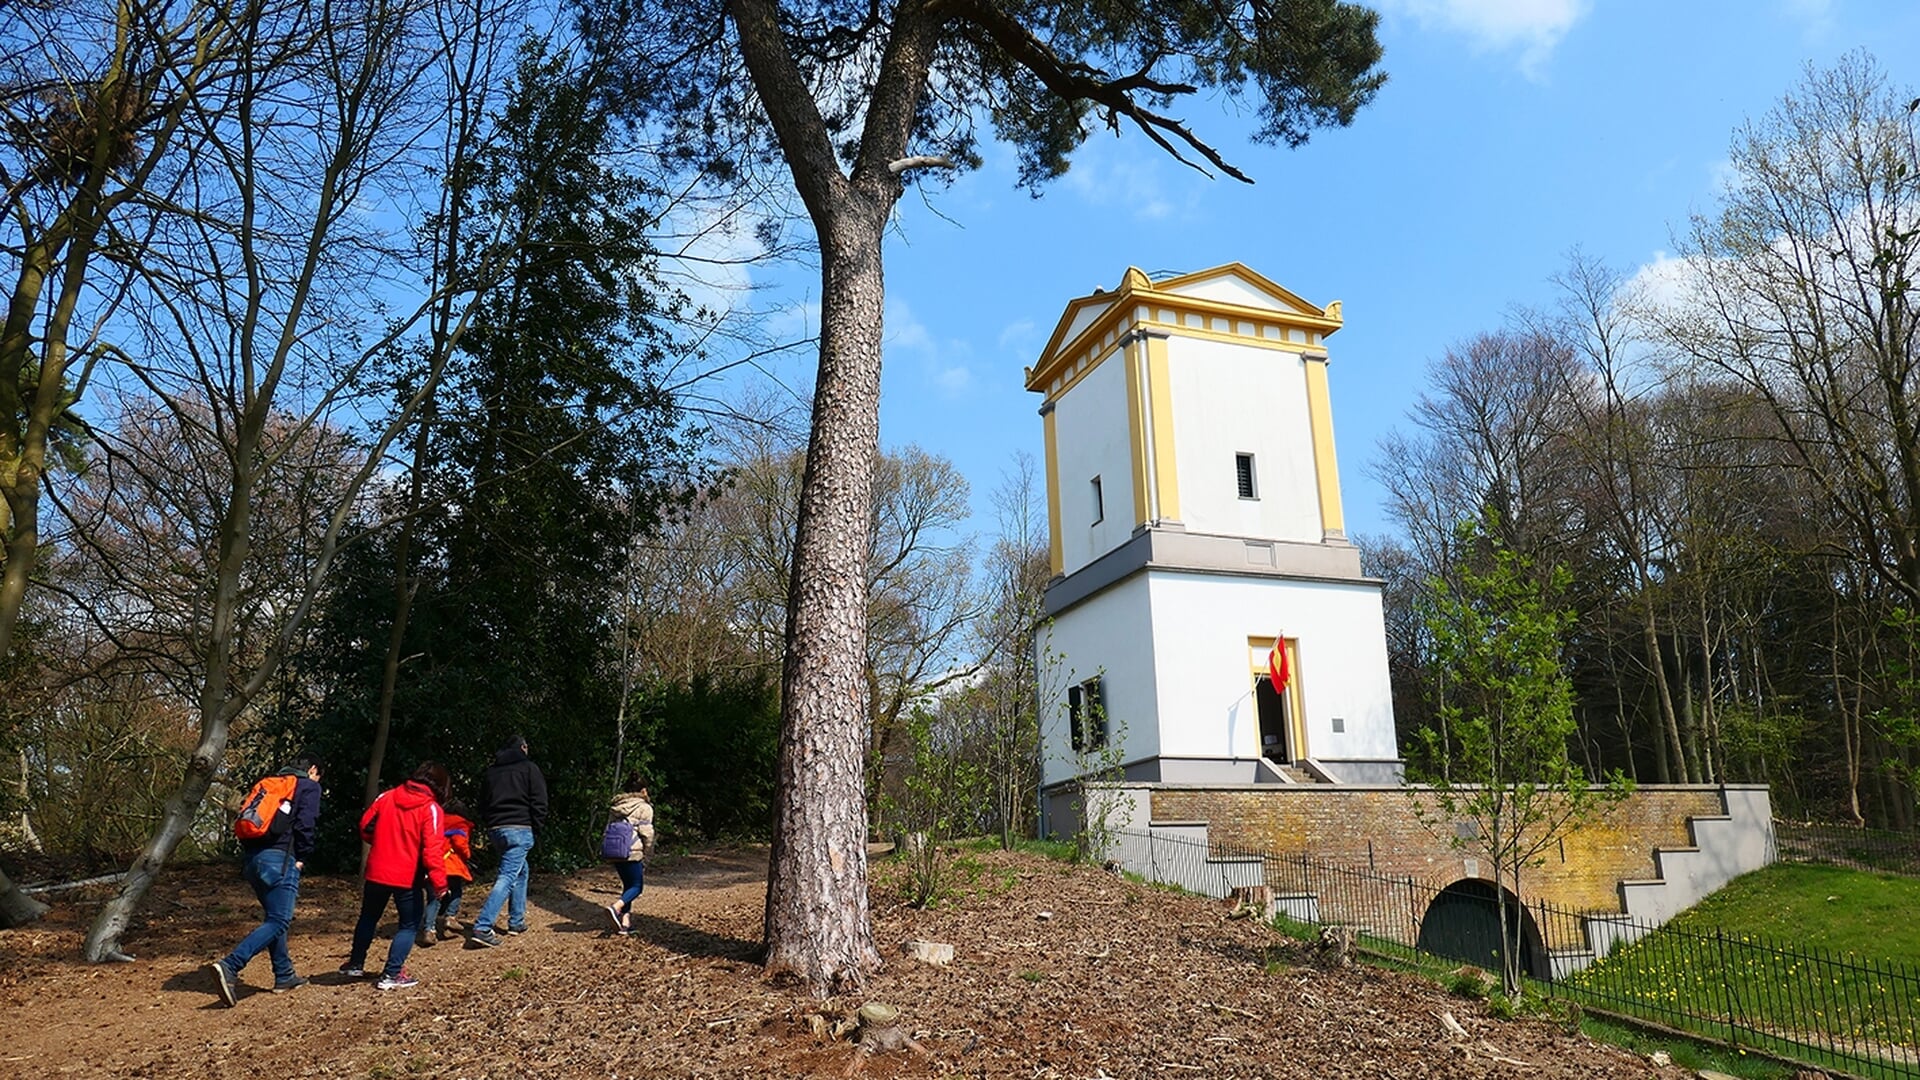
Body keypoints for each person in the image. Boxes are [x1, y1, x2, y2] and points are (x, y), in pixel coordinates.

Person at [207, 757, 323, 1006]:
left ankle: (284, 975)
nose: (318, 780)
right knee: (281, 919)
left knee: (274, 918)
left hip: (253, 861)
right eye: (318, 775)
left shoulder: (270, 783)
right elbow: (306, 824)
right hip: (280, 860)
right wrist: (302, 856)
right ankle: (230, 966)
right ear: (312, 769)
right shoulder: (308, 786)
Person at [341, 761, 449, 990]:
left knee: (368, 917)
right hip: (407, 876)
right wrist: (440, 884)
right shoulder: (431, 809)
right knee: (409, 924)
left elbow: (365, 826)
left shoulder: (386, 796)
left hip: (377, 870)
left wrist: (382, 844)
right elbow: (433, 851)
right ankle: (391, 973)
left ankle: (355, 963)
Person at [468, 733, 547, 947]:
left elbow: (482, 802)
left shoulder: (492, 772)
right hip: (520, 828)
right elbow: (539, 801)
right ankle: (483, 926)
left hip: (496, 829)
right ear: (522, 748)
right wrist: (536, 828)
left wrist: (490, 823)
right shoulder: (529, 768)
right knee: (507, 876)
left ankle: (516, 921)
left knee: (521, 870)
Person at [417, 797, 474, 947]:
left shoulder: (435, 821)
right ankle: (451, 916)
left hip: (432, 864)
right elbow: (460, 843)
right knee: (455, 891)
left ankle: (429, 930)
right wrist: (467, 854)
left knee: (433, 898)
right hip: (451, 865)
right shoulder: (460, 824)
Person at [604, 775, 656, 934]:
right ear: (643, 790)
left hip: (615, 851)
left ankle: (625, 923)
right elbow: (647, 834)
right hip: (633, 852)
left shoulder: (617, 806)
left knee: (628, 886)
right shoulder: (644, 807)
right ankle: (616, 908)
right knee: (637, 887)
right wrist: (648, 854)